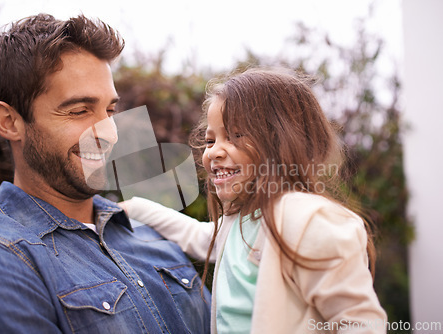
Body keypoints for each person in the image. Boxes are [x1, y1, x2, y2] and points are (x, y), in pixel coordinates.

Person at [0, 14, 210, 333]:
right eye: (79, 111)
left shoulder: (151, 233)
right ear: (9, 121)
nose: (109, 133)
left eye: (110, 111)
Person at [123, 68, 388, 333]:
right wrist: (134, 208)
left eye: (236, 136)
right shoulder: (239, 221)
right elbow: (198, 235)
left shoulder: (307, 219)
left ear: (284, 140)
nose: (213, 152)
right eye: (210, 140)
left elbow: (360, 323)